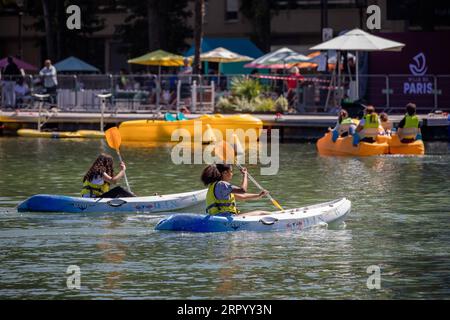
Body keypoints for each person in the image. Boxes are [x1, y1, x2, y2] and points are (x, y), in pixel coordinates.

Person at [201, 164, 270, 217]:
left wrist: (259, 195)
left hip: (217, 217)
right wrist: (245, 175)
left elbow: (243, 196)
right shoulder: (222, 184)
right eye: (231, 171)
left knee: (261, 213)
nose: (232, 174)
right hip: (225, 218)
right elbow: (243, 190)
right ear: (225, 173)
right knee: (262, 213)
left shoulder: (214, 185)